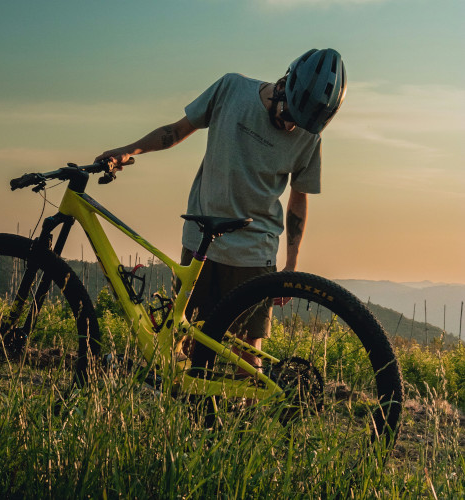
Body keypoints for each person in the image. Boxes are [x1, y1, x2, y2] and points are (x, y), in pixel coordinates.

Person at [95, 48, 347, 372]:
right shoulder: (231, 89)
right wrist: (127, 151)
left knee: (245, 355)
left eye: (300, 124)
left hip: (255, 254)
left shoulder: (309, 137)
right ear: (284, 83)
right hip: (202, 240)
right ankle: (194, 418)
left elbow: (298, 199)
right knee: (186, 345)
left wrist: (292, 264)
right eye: (289, 116)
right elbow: (175, 132)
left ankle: (248, 421)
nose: (290, 129)